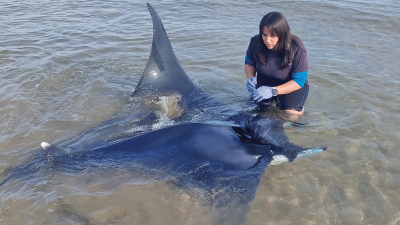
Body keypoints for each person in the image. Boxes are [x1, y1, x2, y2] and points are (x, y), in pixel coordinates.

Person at [245, 12, 309, 117]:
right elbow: (249, 63)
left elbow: (300, 80)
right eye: (264, 35)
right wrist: (250, 78)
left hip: (291, 86)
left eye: (272, 36)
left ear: (282, 34)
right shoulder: (256, 42)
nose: (267, 40)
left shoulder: (297, 48)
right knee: (256, 111)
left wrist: (273, 91)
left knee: (290, 114)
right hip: (265, 83)